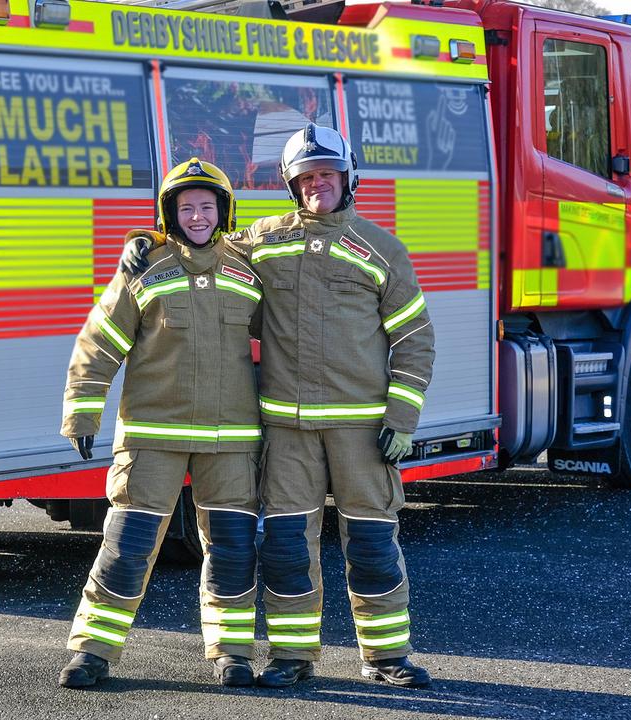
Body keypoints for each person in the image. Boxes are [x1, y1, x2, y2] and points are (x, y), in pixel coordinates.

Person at [123, 124, 436, 688]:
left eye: (327, 175)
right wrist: (150, 240)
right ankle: (294, 658)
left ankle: (386, 656)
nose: (318, 185)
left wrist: (401, 419)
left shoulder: (382, 250)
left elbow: (414, 336)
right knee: (290, 547)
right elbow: (201, 238)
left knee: (370, 543)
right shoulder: (264, 239)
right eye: (306, 177)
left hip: (362, 430)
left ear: (347, 178)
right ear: (293, 186)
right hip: (287, 431)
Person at [58, 158, 264, 689]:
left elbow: (293, 328)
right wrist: (83, 410)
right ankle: (92, 653)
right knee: (127, 547)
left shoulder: (247, 270)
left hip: (230, 441)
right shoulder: (143, 269)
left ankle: (232, 653)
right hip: (153, 436)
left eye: (207, 205)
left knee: (233, 551)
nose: (197, 215)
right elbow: (99, 342)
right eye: (186, 207)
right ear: (169, 214)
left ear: (224, 211)